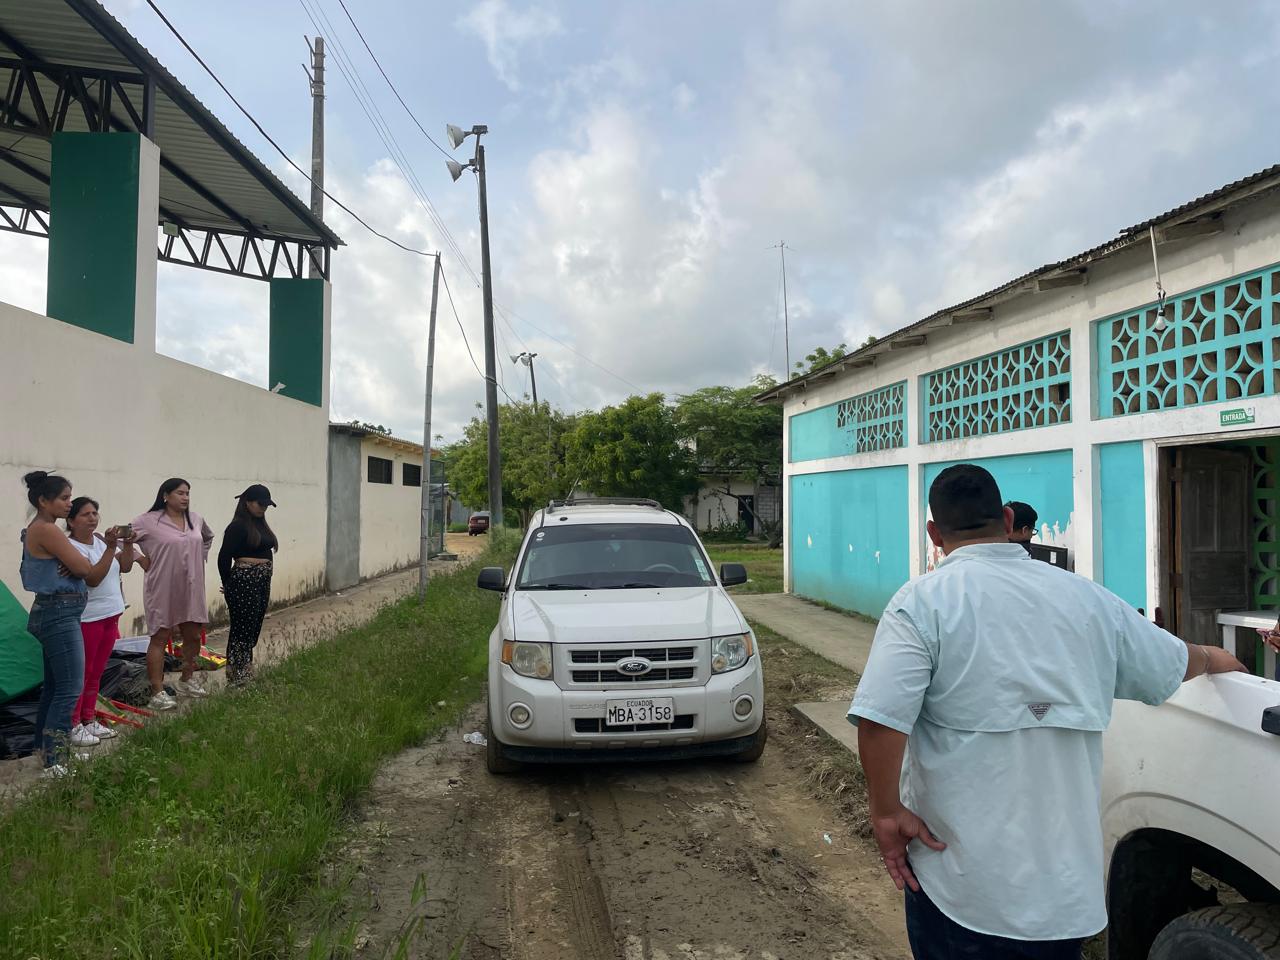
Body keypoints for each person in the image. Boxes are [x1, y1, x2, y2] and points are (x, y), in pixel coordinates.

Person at [850, 464, 1244, 959]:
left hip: (959, 886)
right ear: (1007, 519)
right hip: (1062, 897)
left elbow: (881, 719)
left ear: (935, 533)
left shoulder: (921, 603)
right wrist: (1216, 658)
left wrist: (886, 813)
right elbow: (1171, 662)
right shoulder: (1087, 598)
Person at [19, 472, 122, 777]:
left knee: (54, 687)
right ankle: (56, 762)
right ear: (43, 501)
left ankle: (47, 750)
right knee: (69, 688)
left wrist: (75, 564)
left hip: (57, 611)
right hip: (59, 614)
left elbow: (79, 568)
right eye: (64, 498)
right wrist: (83, 560)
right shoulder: (47, 529)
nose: (69, 503)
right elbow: (86, 571)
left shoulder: (42, 529)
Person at [65, 496, 149, 747]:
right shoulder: (70, 547)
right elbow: (93, 578)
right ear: (71, 521)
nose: (92, 518)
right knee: (83, 672)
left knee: (97, 671)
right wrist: (112, 548)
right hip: (88, 617)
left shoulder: (101, 540)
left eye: (95, 513)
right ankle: (74, 724)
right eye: (85, 514)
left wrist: (127, 545)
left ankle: (89, 718)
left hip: (111, 614)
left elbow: (125, 567)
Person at [131, 478, 215, 711]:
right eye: (180, 493)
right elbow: (120, 537)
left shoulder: (195, 519)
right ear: (166, 495)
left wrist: (199, 558)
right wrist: (140, 559)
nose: (185, 497)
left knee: (194, 635)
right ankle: (157, 691)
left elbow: (207, 537)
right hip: (162, 586)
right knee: (159, 637)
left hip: (192, 586)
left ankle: (186, 679)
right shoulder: (148, 521)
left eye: (187, 493)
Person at [217, 484, 279, 686]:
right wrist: (228, 585)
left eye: (266, 505)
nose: (263, 508)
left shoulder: (260, 525)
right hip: (244, 582)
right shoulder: (237, 527)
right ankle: (237, 671)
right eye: (260, 504)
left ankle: (245, 666)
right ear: (247, 503)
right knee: (242, 628)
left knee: (253, 626)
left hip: (262, 582)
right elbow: (223, 557)